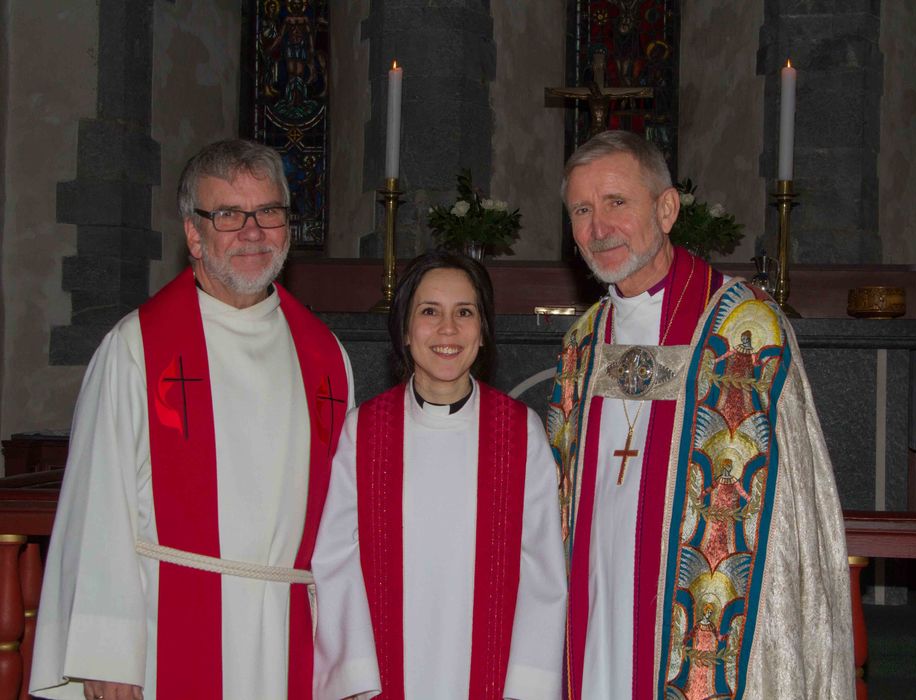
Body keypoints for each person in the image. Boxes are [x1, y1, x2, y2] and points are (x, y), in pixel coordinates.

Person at [30, 140, 380, 700]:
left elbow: (342, 527)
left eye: (268, 212)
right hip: (165, 630)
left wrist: (347, 658)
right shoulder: (137, 348)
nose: (252, 232)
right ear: (193, 234)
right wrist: (107, 652)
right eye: (227, 215)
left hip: (288, 636)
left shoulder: (325, 356)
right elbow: (99, 505)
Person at [546, 130, 854, 699]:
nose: (598, 228)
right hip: (598, 609)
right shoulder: (582, 342)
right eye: (581, 210)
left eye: (616, 202)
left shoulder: (747, 330)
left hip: (705, 631)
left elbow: (789, 525)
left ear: (666, 209)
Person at [312, 252, 567, 699]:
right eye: (430, 312)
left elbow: (543, 572)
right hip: (385, 676)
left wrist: (527, 686)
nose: (448, 329)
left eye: (464, 313)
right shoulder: (365, 431)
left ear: (483, 332)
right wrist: (356, 677)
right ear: (405, 331)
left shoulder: (518, 432)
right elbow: (336, 560)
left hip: (493, 677)